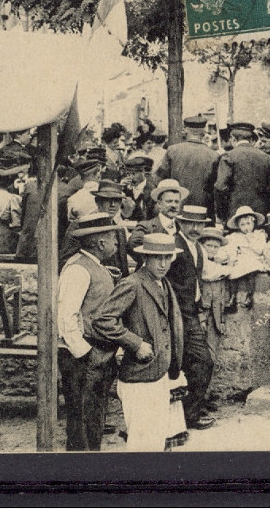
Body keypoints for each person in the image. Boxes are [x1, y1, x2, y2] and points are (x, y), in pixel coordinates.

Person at [91, 233, 187, 452]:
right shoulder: (133, 284)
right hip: (140, 375)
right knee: (142, 443)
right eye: (157, 258)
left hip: (160, 373)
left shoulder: (163, 283)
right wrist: (135, 344)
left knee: (157, 439)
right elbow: (102, 319)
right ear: (145, 258)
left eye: (167, 257)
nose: (163, 264)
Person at [56, 213, 122, 451]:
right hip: (83, 358)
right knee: (83, 419)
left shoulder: (94, 265)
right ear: (100, 242)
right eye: (113, 237)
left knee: (93, 416)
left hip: (96, 354)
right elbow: (66, 317)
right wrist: (85, 353)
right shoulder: (78, 269)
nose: (116, 242)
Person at [164, 205, 216, 429]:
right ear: (181, 224)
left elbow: (203, 275)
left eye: (200, 224)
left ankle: (188, 412)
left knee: (199, 362)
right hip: (174, 314)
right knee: (192, 362)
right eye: (191, 224)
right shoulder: (174, 245)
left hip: (191, 312)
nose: (196, 228)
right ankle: (184, 416)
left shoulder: (196, 247)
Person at [59, 179, 131, 276]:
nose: (113, 205)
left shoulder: (119, 229)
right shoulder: (80, 226)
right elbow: (66, 262)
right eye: (108, 200)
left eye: (117, 200)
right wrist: (100, 270)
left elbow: (123, 264)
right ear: (97, 201)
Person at [155, 115, 220, 219]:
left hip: (175, 208)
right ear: (203, 133)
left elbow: (159, 179)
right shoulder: (214, 155)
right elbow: (217, 187)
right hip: (203, 210)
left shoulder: (172, 150)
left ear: (186, 130)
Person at [214, 121, 270, 222]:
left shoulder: (228, 157)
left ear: (233, 138)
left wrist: (221, 214)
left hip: (235, 216)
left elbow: (220, 187)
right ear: (251, 139)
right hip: (260, 215)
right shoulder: (266, 158)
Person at [197, 226, 232, 368]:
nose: (211, 249)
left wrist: (222, 320)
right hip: (202, 314)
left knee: (213, 350)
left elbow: (223, 297)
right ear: (202, 246)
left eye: (215, 247)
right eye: (208, 246)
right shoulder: (200, 265)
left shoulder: (220, 268)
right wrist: (201, 317)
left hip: (216, 316)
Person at [224, 205, 267, 311]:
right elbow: (231, 248)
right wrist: (232, 259)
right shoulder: (235, 236)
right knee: (233, 272)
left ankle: (250, 295)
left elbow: (260, 250)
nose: (246, 227)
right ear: (238, 226)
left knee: (251, 271)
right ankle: (232, 297)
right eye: (242, 225)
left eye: (248, 223)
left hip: (255, 258)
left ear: (254, 223)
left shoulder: (259, 234)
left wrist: (250, 240)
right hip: (241, 259)